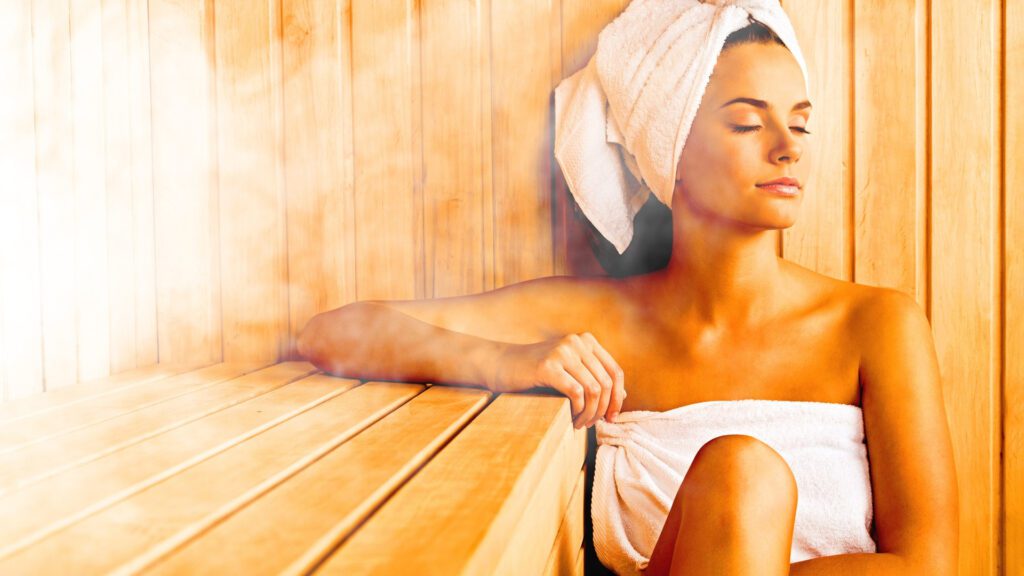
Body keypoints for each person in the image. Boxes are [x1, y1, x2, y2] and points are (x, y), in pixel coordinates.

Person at [297, 8, 958, 576]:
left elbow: (930, 566)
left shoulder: (877, 323)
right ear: (670, 150)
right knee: (739, 474)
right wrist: (507, 362)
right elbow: (333, 331)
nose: (788, 148)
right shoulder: (595, 324)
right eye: (748, 124)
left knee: (741, 476)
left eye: (801, 123)